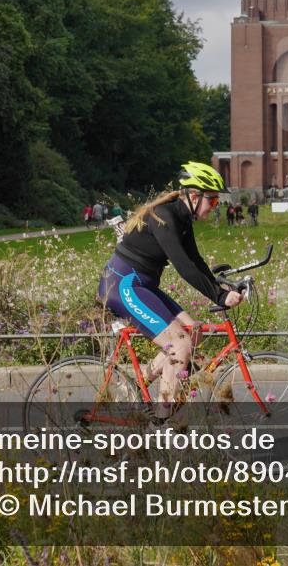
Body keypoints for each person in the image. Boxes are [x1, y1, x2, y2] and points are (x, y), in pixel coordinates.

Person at [97, 162, 243, 417]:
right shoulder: (165, 217)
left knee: (193, 331)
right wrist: (220, 296)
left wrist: (220, 287)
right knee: (180, 343)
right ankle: (161, 423)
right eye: (213, 200)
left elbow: (195, 261)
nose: (215, 206)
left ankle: (132, 389)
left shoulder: (182, 218)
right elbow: (183, 266)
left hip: (142, 285)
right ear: (195, 196)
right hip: (123, 286)